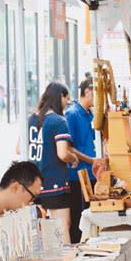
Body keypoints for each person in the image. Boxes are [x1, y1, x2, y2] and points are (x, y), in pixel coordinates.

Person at [28, 82, 79, 244]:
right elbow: (63, 153)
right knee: (62, 226)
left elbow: (18, 147)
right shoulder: (58, 122)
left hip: (32, 182)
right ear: (60, 97)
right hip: (55, 181)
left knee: (41, 229)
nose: (67, 103)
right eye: (67, 98)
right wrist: (74, 158)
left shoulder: (31, 119)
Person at [65, 79, 98, 243]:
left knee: (89, 214)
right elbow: (68, 147)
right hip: (77, 174)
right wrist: (91, 160)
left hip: (92, 173)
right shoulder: (72, 114)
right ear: (87, 92)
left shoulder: (91, 114)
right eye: (96, 93)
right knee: (79, 215)